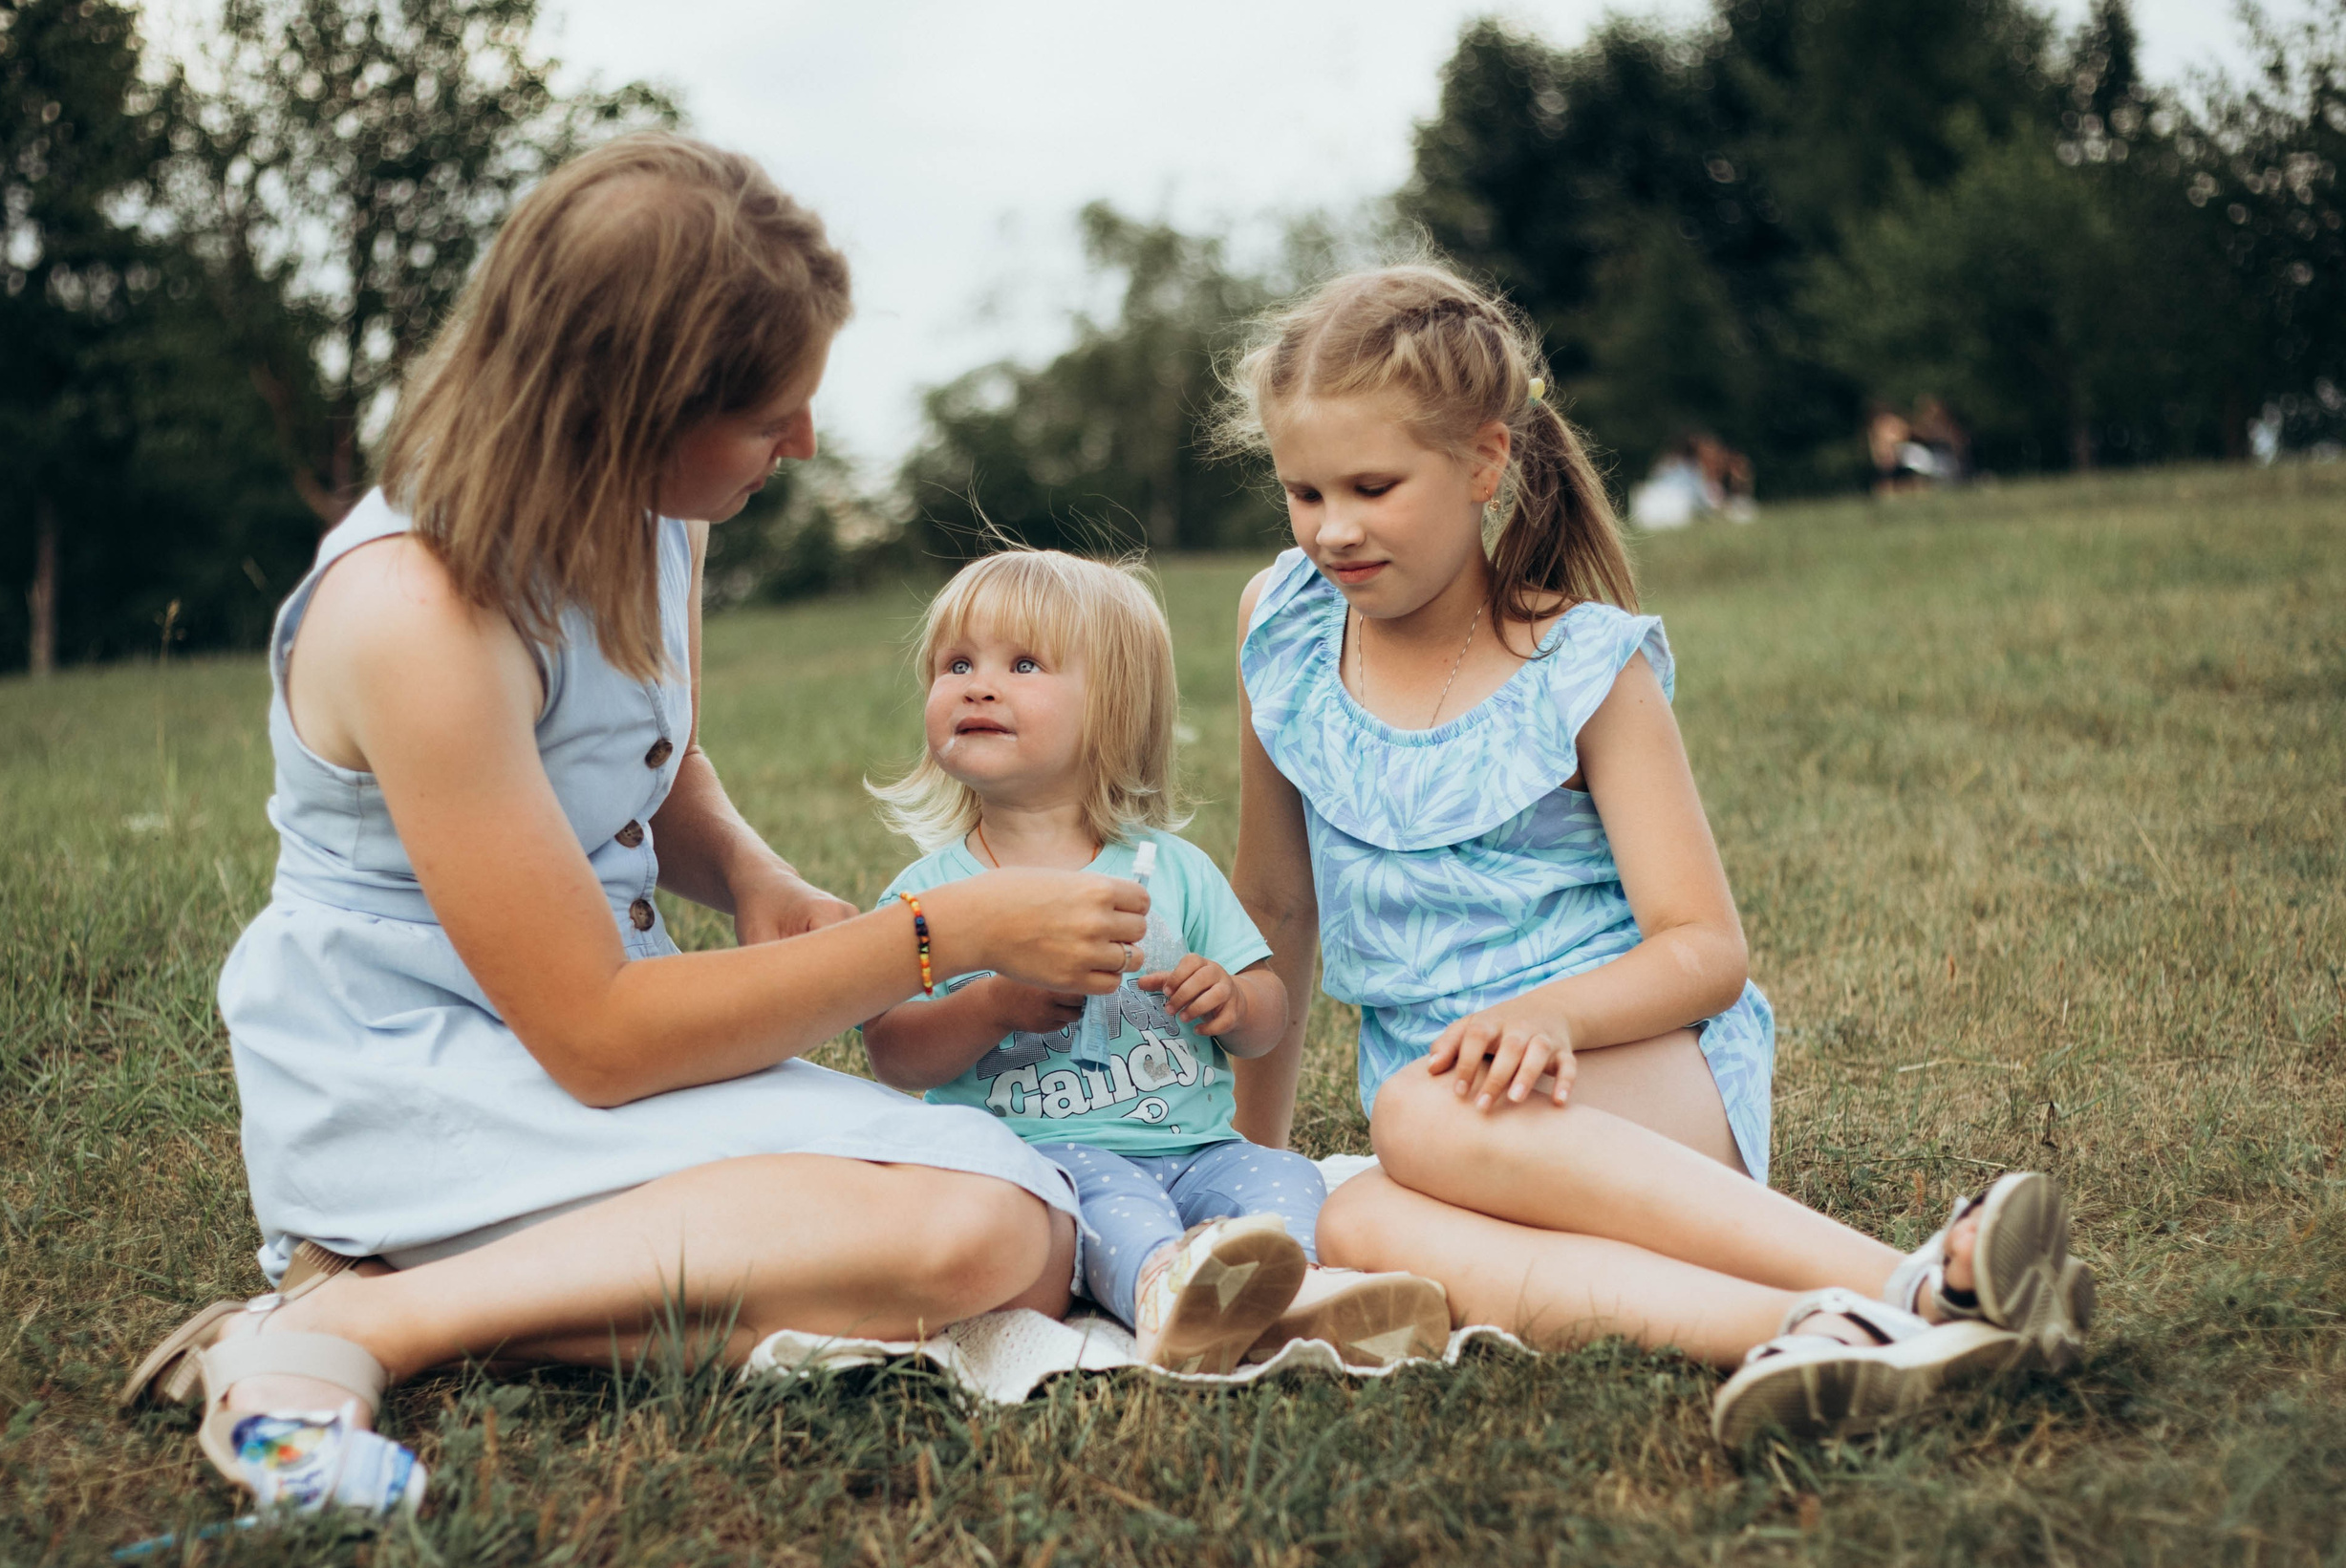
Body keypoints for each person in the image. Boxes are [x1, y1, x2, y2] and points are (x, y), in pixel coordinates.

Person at [117, 134, 1155, 1508]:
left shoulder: (658, 508)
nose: (804, 442)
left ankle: (412, 1284)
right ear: (630, 409)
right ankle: (360, 1314)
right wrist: (940, 933)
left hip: (586, 1025)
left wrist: (751, 873)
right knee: (983, 1227)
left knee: (1014, 1236)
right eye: (770, 413)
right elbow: (601, 1041)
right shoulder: (414, 615)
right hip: (417, 1058)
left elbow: (641, 760)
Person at [1215, 263, 2094, 1445]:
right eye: (1302, 491)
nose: (1332, 528)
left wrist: (1551, 1019)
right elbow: (1275, 908)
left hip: (1639, 1068)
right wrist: (1246, 1170)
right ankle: (1820, 1329)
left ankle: (1906, 1277)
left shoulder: (1582, 667)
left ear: (1483, 463)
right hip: (1445, 1123)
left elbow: (1706, 951)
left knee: (1412, 1120)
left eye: (1372, 486)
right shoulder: (1282, 628)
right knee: (1358, 1223)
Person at [861, 548, 1451, 1373]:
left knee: (1278, 1179)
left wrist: (1234, 1003)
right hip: (1047, 1156)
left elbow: (1269, 1010)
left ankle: (1301, 1292)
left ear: (1113, 710)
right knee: (1116, 1204)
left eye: (1022, 663)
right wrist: (994, 1005)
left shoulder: (1170, 871)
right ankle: (1168, 1293)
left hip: (1203, 1145)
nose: (978, 684)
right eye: (957, 663)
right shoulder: (931, 894)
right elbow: (892, 1051)